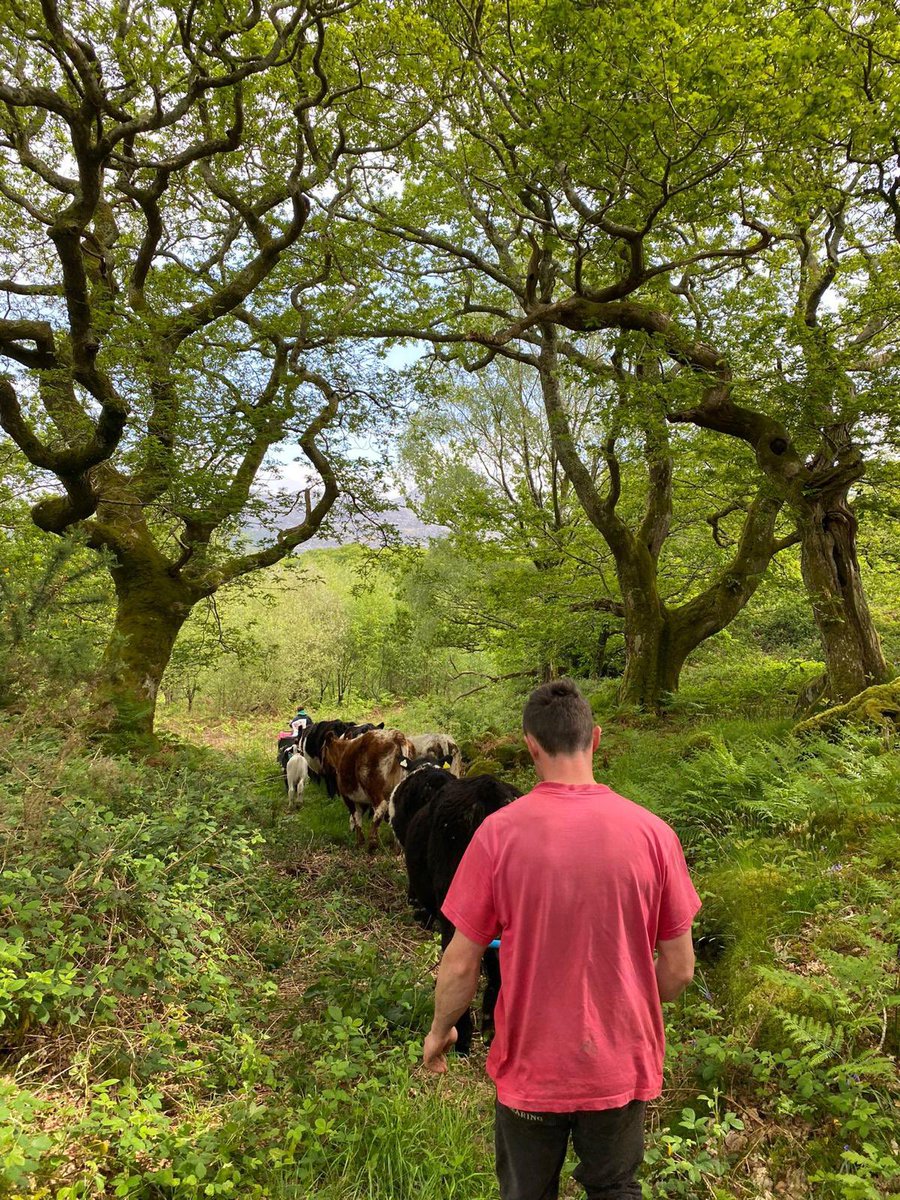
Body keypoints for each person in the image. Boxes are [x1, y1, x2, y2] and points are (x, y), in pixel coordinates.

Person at [423, 679, 701, 1200]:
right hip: (620, 1064)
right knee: (616, 1187)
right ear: (595, 740)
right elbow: (680, 968)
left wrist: (441, 1030)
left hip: (532, 1068)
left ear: (530, 745)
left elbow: (461, 963)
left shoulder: (498, 836)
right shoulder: (654, 834)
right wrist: (631, 1000)